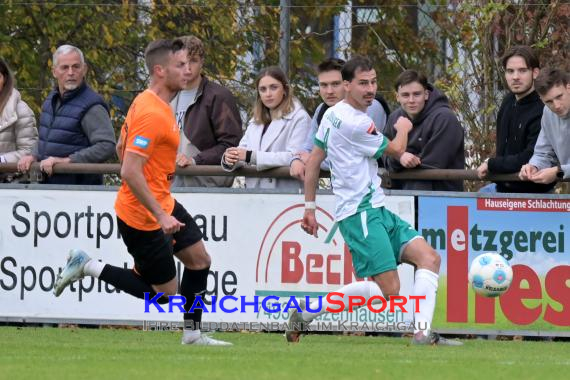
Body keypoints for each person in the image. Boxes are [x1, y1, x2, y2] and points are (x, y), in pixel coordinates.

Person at [52, 39, 231, 346]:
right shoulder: (152, 112)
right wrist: (160, 214)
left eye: (189, 64)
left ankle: (192, 335)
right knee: (164, 295)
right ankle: (87, 265)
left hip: (161, 202)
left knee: (200, 260)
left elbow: (124, 147)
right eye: (180, 65)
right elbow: (129, 170)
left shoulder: (149, 102)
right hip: (142, 216)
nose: (187, 71)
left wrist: (159, 172)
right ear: (160, 71)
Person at [291, 56, 462, 346]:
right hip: (359, 213)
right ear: (347, 85)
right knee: (390, 291)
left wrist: (309, 207)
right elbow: (396, 148)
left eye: (373, 82)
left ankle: (422, 333)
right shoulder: (356, 122)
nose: (370, 89)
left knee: (429, 258)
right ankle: (307, 313)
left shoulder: (332, 113)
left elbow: (314, 161)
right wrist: (404, 127)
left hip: (376, 207)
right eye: (363, 83)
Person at [17, 45, 115, 185]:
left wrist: (67, 161)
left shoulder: (92, 106)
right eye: (64, 67)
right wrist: (32, 155)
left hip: (78, 193)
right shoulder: (51, 100)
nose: (71, 72)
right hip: (49, 189)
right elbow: (48, 138)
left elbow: (107, 146)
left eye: (76, 67)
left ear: (84, 69)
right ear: (54, 72)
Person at [290, 57, 389, 179]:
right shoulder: (322, 109)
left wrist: (312, 160)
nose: (329, 91)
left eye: (336, 84)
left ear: (348, 84)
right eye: (324, 85)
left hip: (372, 187)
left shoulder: (370, 105)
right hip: (340, 187)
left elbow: (354, 158)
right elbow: (308, 147)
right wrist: (296, 159)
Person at [477, 45, 554, 193]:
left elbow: (531, 157)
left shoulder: (544, 108)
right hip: (501, 187)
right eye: (510, 71)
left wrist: (492, 164)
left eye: (522, 70)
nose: (515, 77)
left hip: (534, 193)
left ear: (535, 73)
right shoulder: (508, 101)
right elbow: (503, 149)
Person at [222, 66, 310, 189]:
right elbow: (243, 151)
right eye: (263, 89)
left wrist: (251, 157)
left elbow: (296, 156)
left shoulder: (300, 118)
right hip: (255, 194)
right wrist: (230, 158)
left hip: (286, 194)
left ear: (285, 89)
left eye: (274, 87)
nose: (268, 94)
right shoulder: (255, 121)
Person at [171, 35, 242, 187]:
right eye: (182, 62)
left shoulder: (218, 96)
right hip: (168, 185)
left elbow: (230, 145)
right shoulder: (166, 96)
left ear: (202, 62)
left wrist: (195, 160)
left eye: (193, 61)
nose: (187, 68)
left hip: (205, 187)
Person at [382, 69, 464, 191]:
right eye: (405, 95)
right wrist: (400, 157)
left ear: (426, 94)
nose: (411, 100)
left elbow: (432, 164)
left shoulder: (445, 118)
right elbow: (385, 155)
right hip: (400, 197)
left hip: (441, 197)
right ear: (397, 97)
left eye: (416, 94)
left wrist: (399, 158)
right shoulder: (395, 118)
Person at [519, 68, 570, 185]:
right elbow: (543, 153)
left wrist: (559, 171)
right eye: (549, 101)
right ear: (541, 100)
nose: (556, 106)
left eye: (559, 96)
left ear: (568, 87)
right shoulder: (548, 113)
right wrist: (534, 166)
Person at [0, 58, 38, 182]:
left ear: (4, 79)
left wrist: (2, 160)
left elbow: (30, 151)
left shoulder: (21, 110)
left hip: (9, 185)